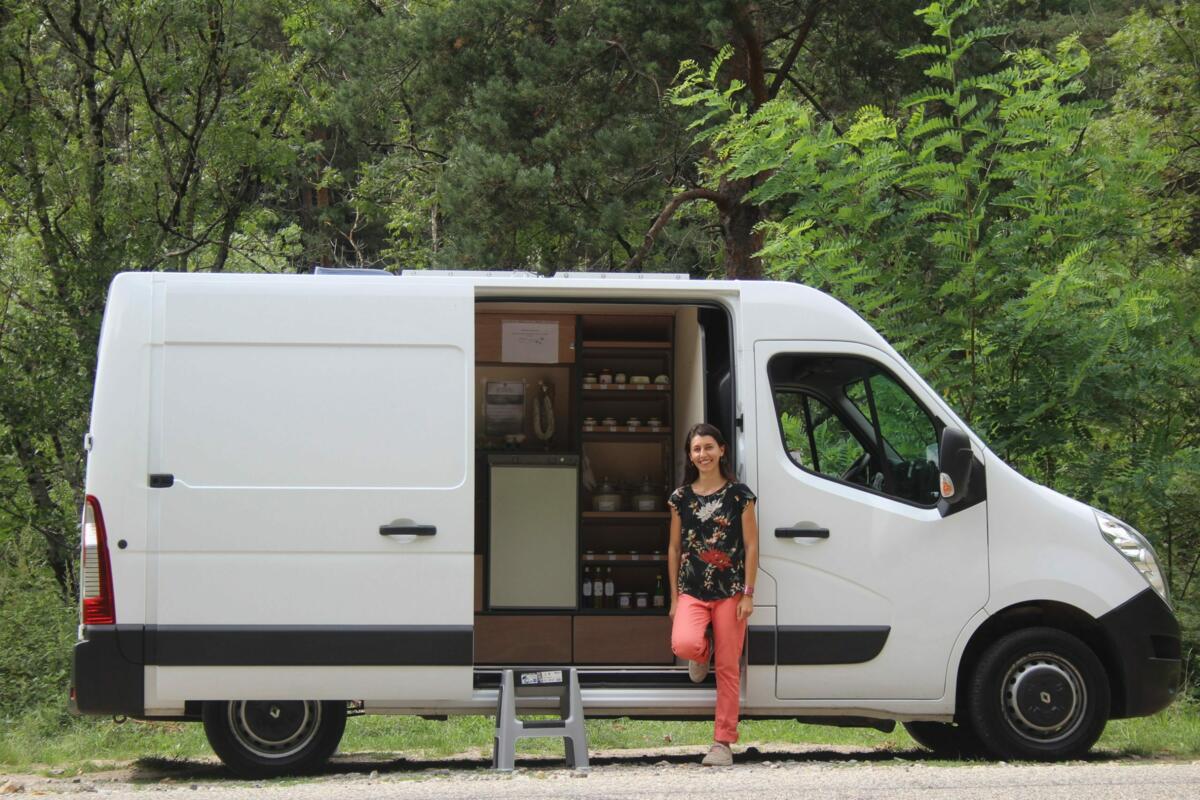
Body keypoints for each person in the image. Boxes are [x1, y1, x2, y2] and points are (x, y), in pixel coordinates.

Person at [667, 422, 759, 767]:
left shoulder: (740, 496)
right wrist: (674, 598)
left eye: (708, 447)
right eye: (696, 449)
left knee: (728, 668)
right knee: (684, 644)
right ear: (690, 456)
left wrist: (748, 594)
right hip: (692, 589)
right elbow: (674, 549)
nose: (703, 454)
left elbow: (751, 545)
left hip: (730, 591)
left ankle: (722, 743)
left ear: (722, 450)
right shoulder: (680, 498)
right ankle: (701, 652)